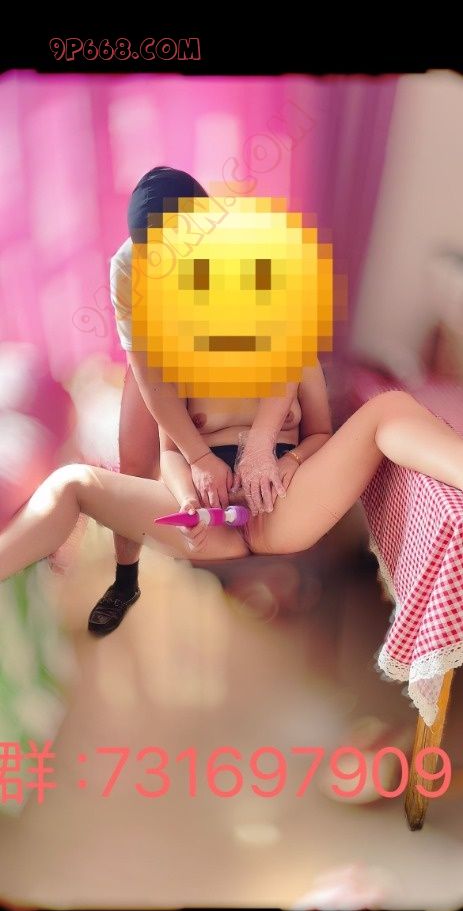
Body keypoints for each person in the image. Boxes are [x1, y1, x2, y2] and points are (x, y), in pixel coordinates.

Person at [2, 371, 463, 589]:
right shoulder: (177, 364)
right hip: (208, 521)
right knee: (72, 482)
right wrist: (187, 500)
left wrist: (293, 460)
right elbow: (170, 455)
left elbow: (321, 434)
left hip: (279, 507)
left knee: (388, 407)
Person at [88, 166, 297, 635]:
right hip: (163, 350)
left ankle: (229, 566)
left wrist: (260, 441)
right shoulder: (127, 268)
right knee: (136, 459)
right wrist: (197, 456)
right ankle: (125, 580)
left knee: (234, 451)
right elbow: (149, 375)